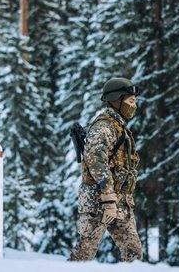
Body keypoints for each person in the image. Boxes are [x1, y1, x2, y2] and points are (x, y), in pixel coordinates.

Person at [68, 77, 143, 262]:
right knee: (83, 255)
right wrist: (108, 199)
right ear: (117, 100)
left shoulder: (118, 127)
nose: (134, 105)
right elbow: (96, 162)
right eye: (131, 101)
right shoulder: (104, 127)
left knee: (133, 253)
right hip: (98, 200)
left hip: (119, 201)